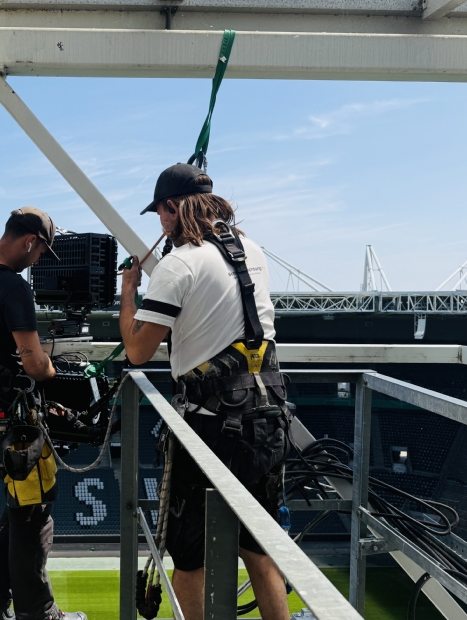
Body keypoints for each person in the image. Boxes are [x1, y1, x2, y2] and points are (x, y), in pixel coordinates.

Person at [118, 164, 291, 620]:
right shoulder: (253, 250)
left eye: (160, 213)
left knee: (189, 556)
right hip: (268, 417)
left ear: (173, 208)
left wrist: (129, 292)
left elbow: (137, 349)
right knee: (260, 550)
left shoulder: (178, 263)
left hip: (209, 427)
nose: (159, 223)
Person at [0, 207, 87, 620]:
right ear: (30, 241)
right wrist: (56, 371)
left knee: (19, 506)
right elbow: (34, 365)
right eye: (39, 254)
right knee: (34, 513)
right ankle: (40, 613)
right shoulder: (13, 288)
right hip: (14, 414)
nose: (37, 263)